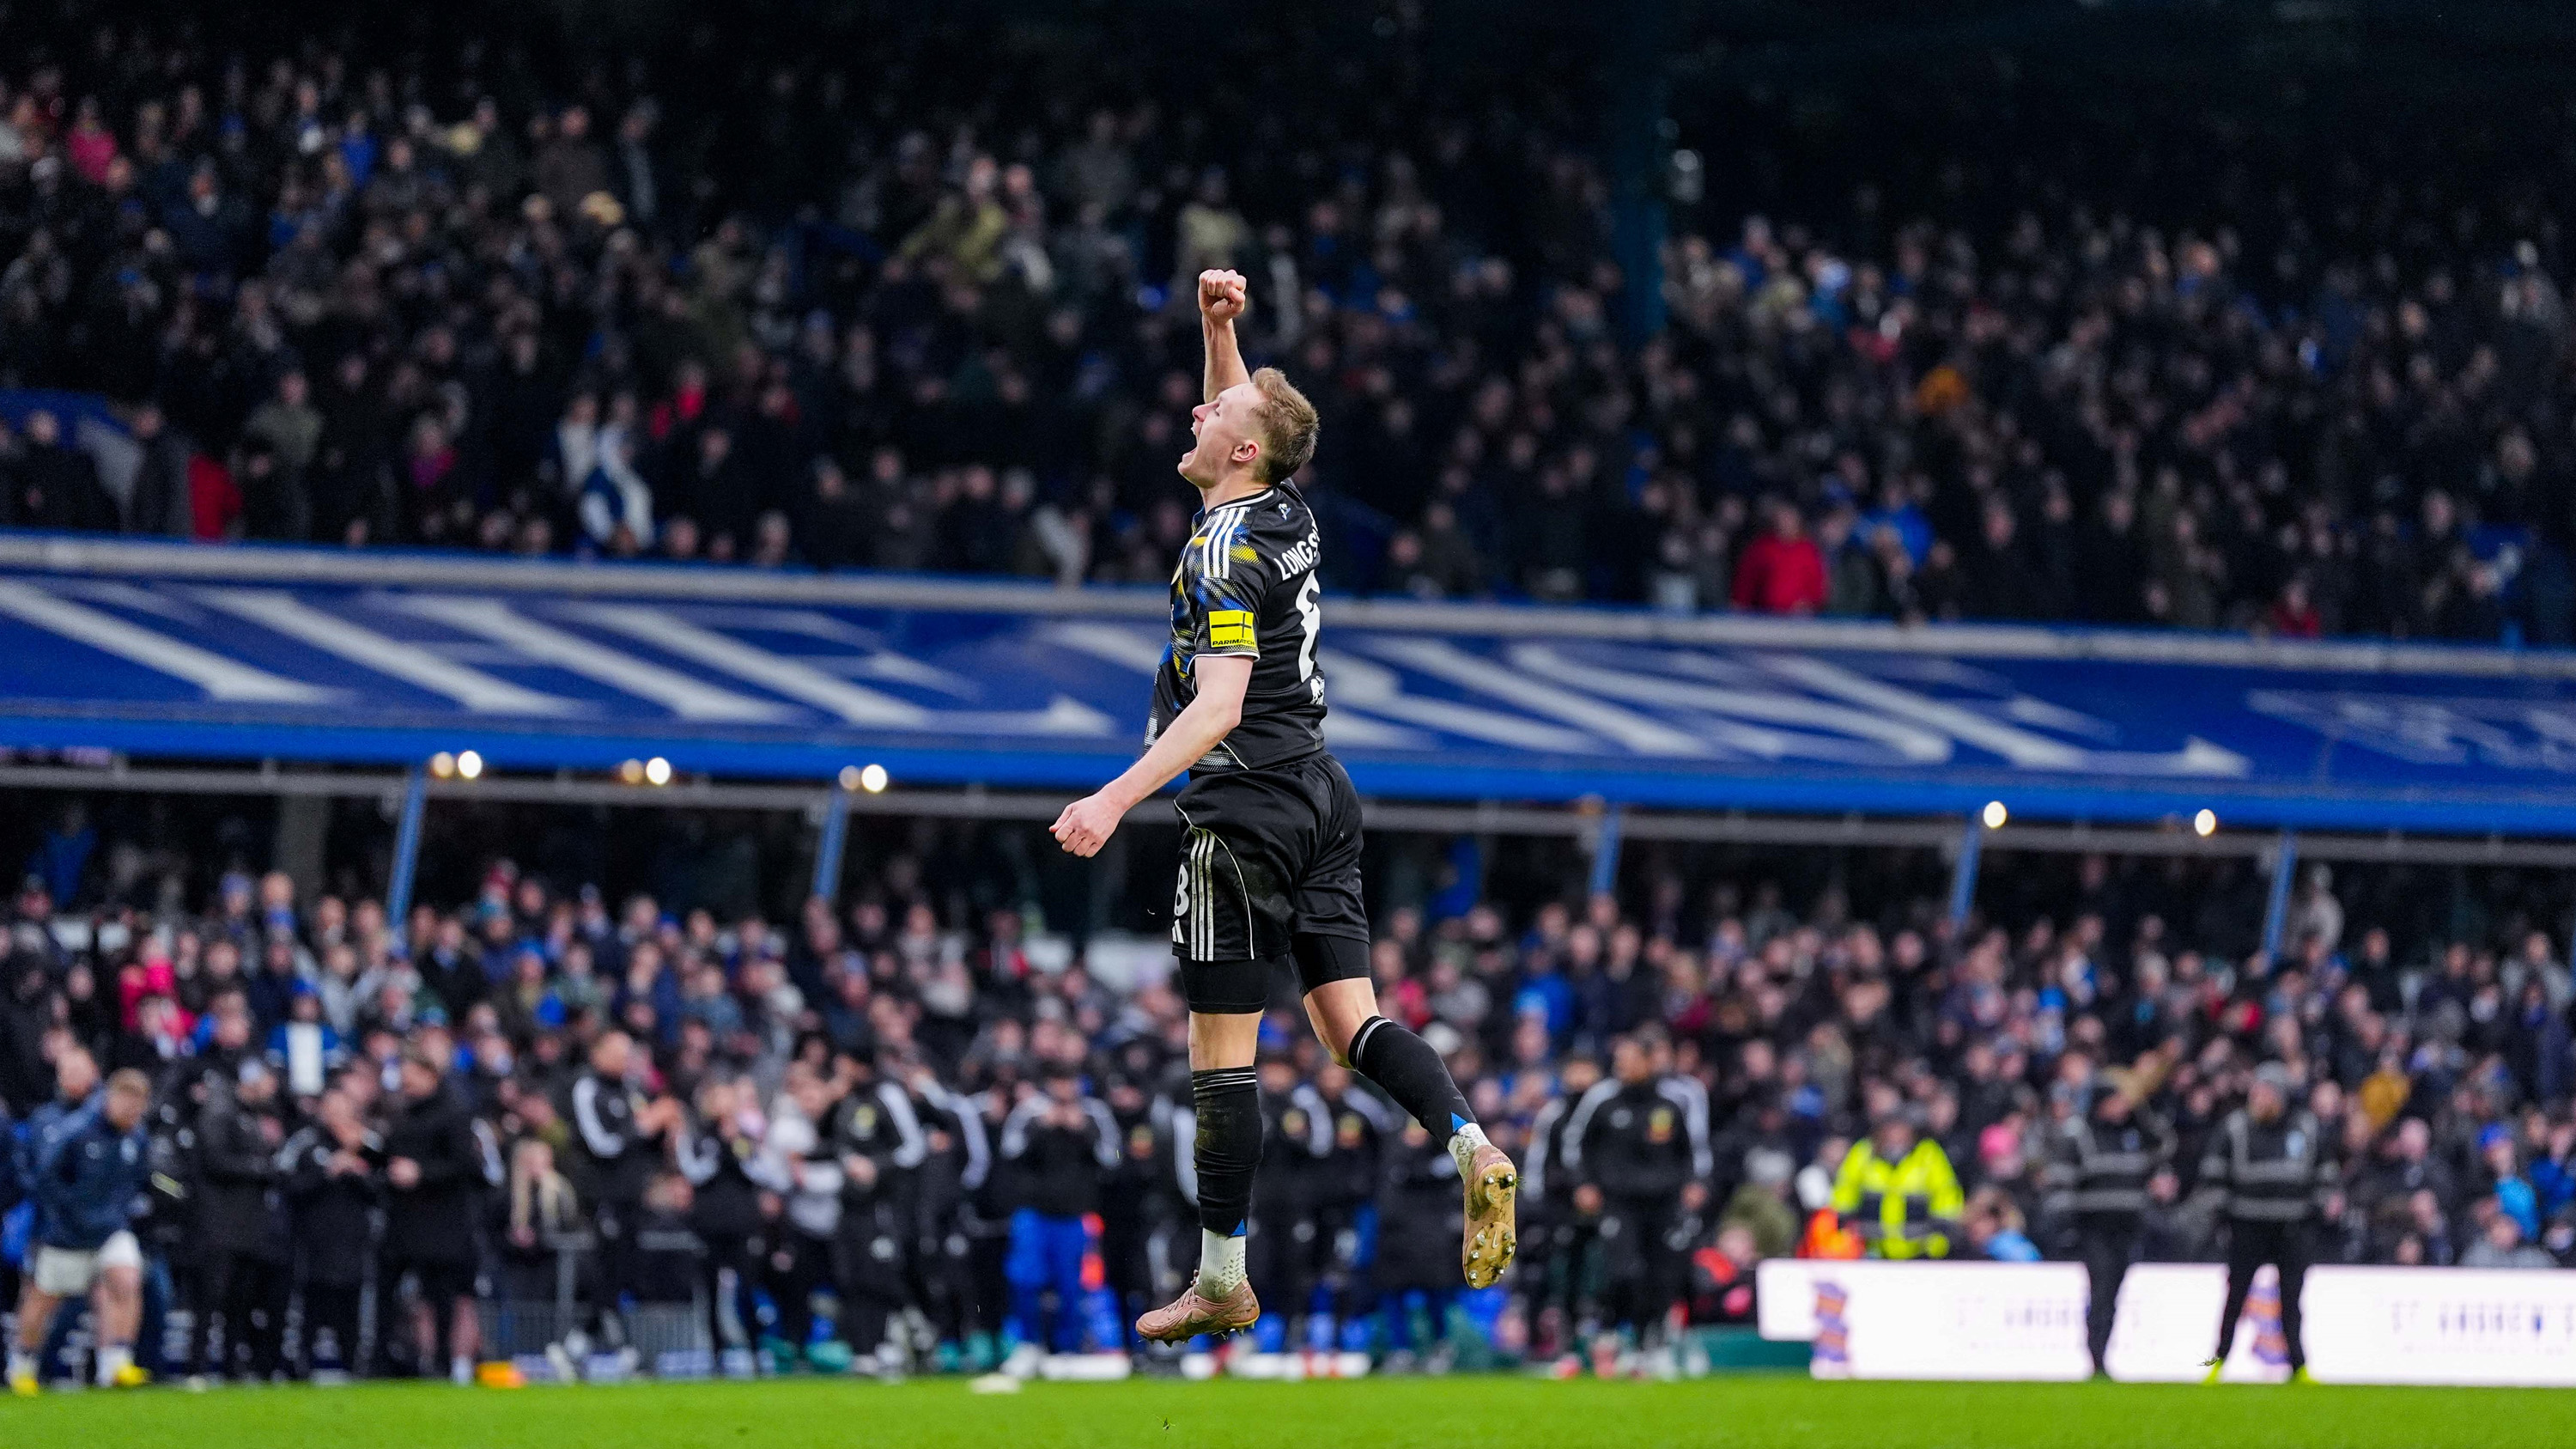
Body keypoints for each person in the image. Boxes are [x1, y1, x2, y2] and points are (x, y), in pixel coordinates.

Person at [1051, 267, 1514, 1342]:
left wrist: (1114, 798)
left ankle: (1223, 1276)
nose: (1198, 408)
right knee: (1352, 1022)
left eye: (1214, 409)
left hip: (1242, 807)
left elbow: (1217, 705)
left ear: (1243, 449)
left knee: (1223, 1057)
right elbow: (1240, 430)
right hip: (1323, 790)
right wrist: (1221, 334)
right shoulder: (1280, 506)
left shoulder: (1220, 549)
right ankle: (1471, 1143)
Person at [1561, 1031, 1712, 1357]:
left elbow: (1691, 1150)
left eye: (1629, 1060)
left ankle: (1648, 1341)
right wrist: (1583, 1183)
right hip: (1619, 1202)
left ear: (1648, 1061)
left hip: (1664, 1202)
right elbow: (1576, 1144)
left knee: (1660, 1273)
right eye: (1619, 1061)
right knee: (1623, 1271)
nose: (1622, 1066)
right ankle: (1612, 1330)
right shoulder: (1602, 1100)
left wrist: (1695, 1182)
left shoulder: (1673, 1102)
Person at [9, 1068, 155, 1393]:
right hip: (68, 1233)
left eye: (139, 1107)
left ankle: (116, 1365)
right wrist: (68, 1213)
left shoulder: (137, 1136)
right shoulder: (75, 1132)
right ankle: (22, 1365)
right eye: (128, 1104)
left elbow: (138, 1178)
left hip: (111, 1228)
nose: (134, 1113)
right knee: (44, 1299)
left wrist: (124, 1209)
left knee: (127, 1279)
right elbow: (45, 1178)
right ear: (111, 1098)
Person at [2196, 1062, 2335, 1385]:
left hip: (2292, 1225)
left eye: (2267, 1093)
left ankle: (2298, 1367)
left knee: (2291, 1300)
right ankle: (2216, 1362)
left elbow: (2325, 1173)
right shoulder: (2235, 1128)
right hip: (2247, 1224)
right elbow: (2213, 1173)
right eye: (2257, 1092)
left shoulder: (2305, 1128)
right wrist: (2222, 1209)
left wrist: (2322, 1204)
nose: (2260, 1099)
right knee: (2235, 1298)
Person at [2044, 1081, 2174, 1378]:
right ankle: (2096, 1354)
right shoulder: (2080, 1135)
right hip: (2094, 1227)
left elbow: (2165, 1144)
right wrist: (2068, 1224)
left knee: (2114, 1291)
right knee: (2101, 1289)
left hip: (2127, 1225)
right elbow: (2063, 1182)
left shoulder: (2133, 1133)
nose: (2123, 1107)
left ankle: (2103, 1353)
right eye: (2118, 1101)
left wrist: (2141, 1112)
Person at [997, 1063, 1121, 1357]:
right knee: (1026, 1280)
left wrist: (1084, 1132)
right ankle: (1029, 1345)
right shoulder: (1030, 1112)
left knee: (1072, 1286)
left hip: (1075, 1215)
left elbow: (1114, 1157)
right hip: (1034, 1213)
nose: (1065, 1089)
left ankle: (1068, 1348)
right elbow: (1008, 1151)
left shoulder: (1094, 1113)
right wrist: (1042, 1128)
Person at [380, 1045, 483, 1385]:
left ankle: (441, 1361)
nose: (405, 1084)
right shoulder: (401, 1113)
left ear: (431, 1077)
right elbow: (387, 1154)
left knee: (441, 1295)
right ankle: (386, 1357)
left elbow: (466, 1165)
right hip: (403, 1220)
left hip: (441, 1223)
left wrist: (421, 1173)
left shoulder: (453, 1114)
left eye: (411, 1078)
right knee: (389, 1290)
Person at [187, 1060, 291, 1385]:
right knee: (211, 1298)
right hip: (220, 1222)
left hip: (247, 1224)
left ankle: (232, 1366)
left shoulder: (253, 1115)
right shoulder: (221, 1110)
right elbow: (215, 1160)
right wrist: (261, 1169)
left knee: (240, 1299)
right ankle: (198, 1366)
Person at [280, 1085, 379, 1378]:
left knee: (352, 1309)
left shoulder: (369, 1144)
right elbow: (288, 1186)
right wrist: (327, 1173)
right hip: (313, 1245)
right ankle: (301, 1366)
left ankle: (355, 1366)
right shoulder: (306, 1143)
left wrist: (356, 1169)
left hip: (355, 1245)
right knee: (311, 1307)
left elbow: (382, 1190)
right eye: (331, 1109)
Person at [1830, 1105, 1965, 1260]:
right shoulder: (1865, 1152)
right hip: (1871, 1248)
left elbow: (1945, 1194)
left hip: (1918, 1249)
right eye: (1890, 1128)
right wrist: (1844, 1225)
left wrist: (1938, 1240)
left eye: (1901, 1128)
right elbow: (1845, 1188)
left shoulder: (1926, 1154)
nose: (1895, 1134)